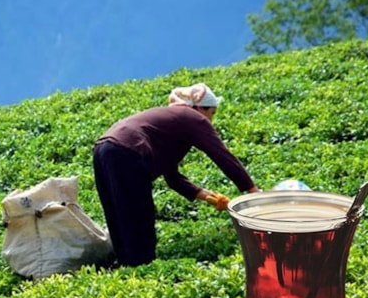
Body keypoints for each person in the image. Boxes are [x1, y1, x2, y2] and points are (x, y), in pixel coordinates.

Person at [92, 83, 259, 267]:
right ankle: (141, 267)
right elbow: (222, 156)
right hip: (128, 151)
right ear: (199, 108)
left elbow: (172, 177)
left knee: (117, 211)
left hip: (102, 149)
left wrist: (210, 197)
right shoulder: (192, 118)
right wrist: (252, 190)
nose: (211, 120)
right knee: (139, 214)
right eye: (212, 113)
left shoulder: (173, 121)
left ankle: (126, 264)